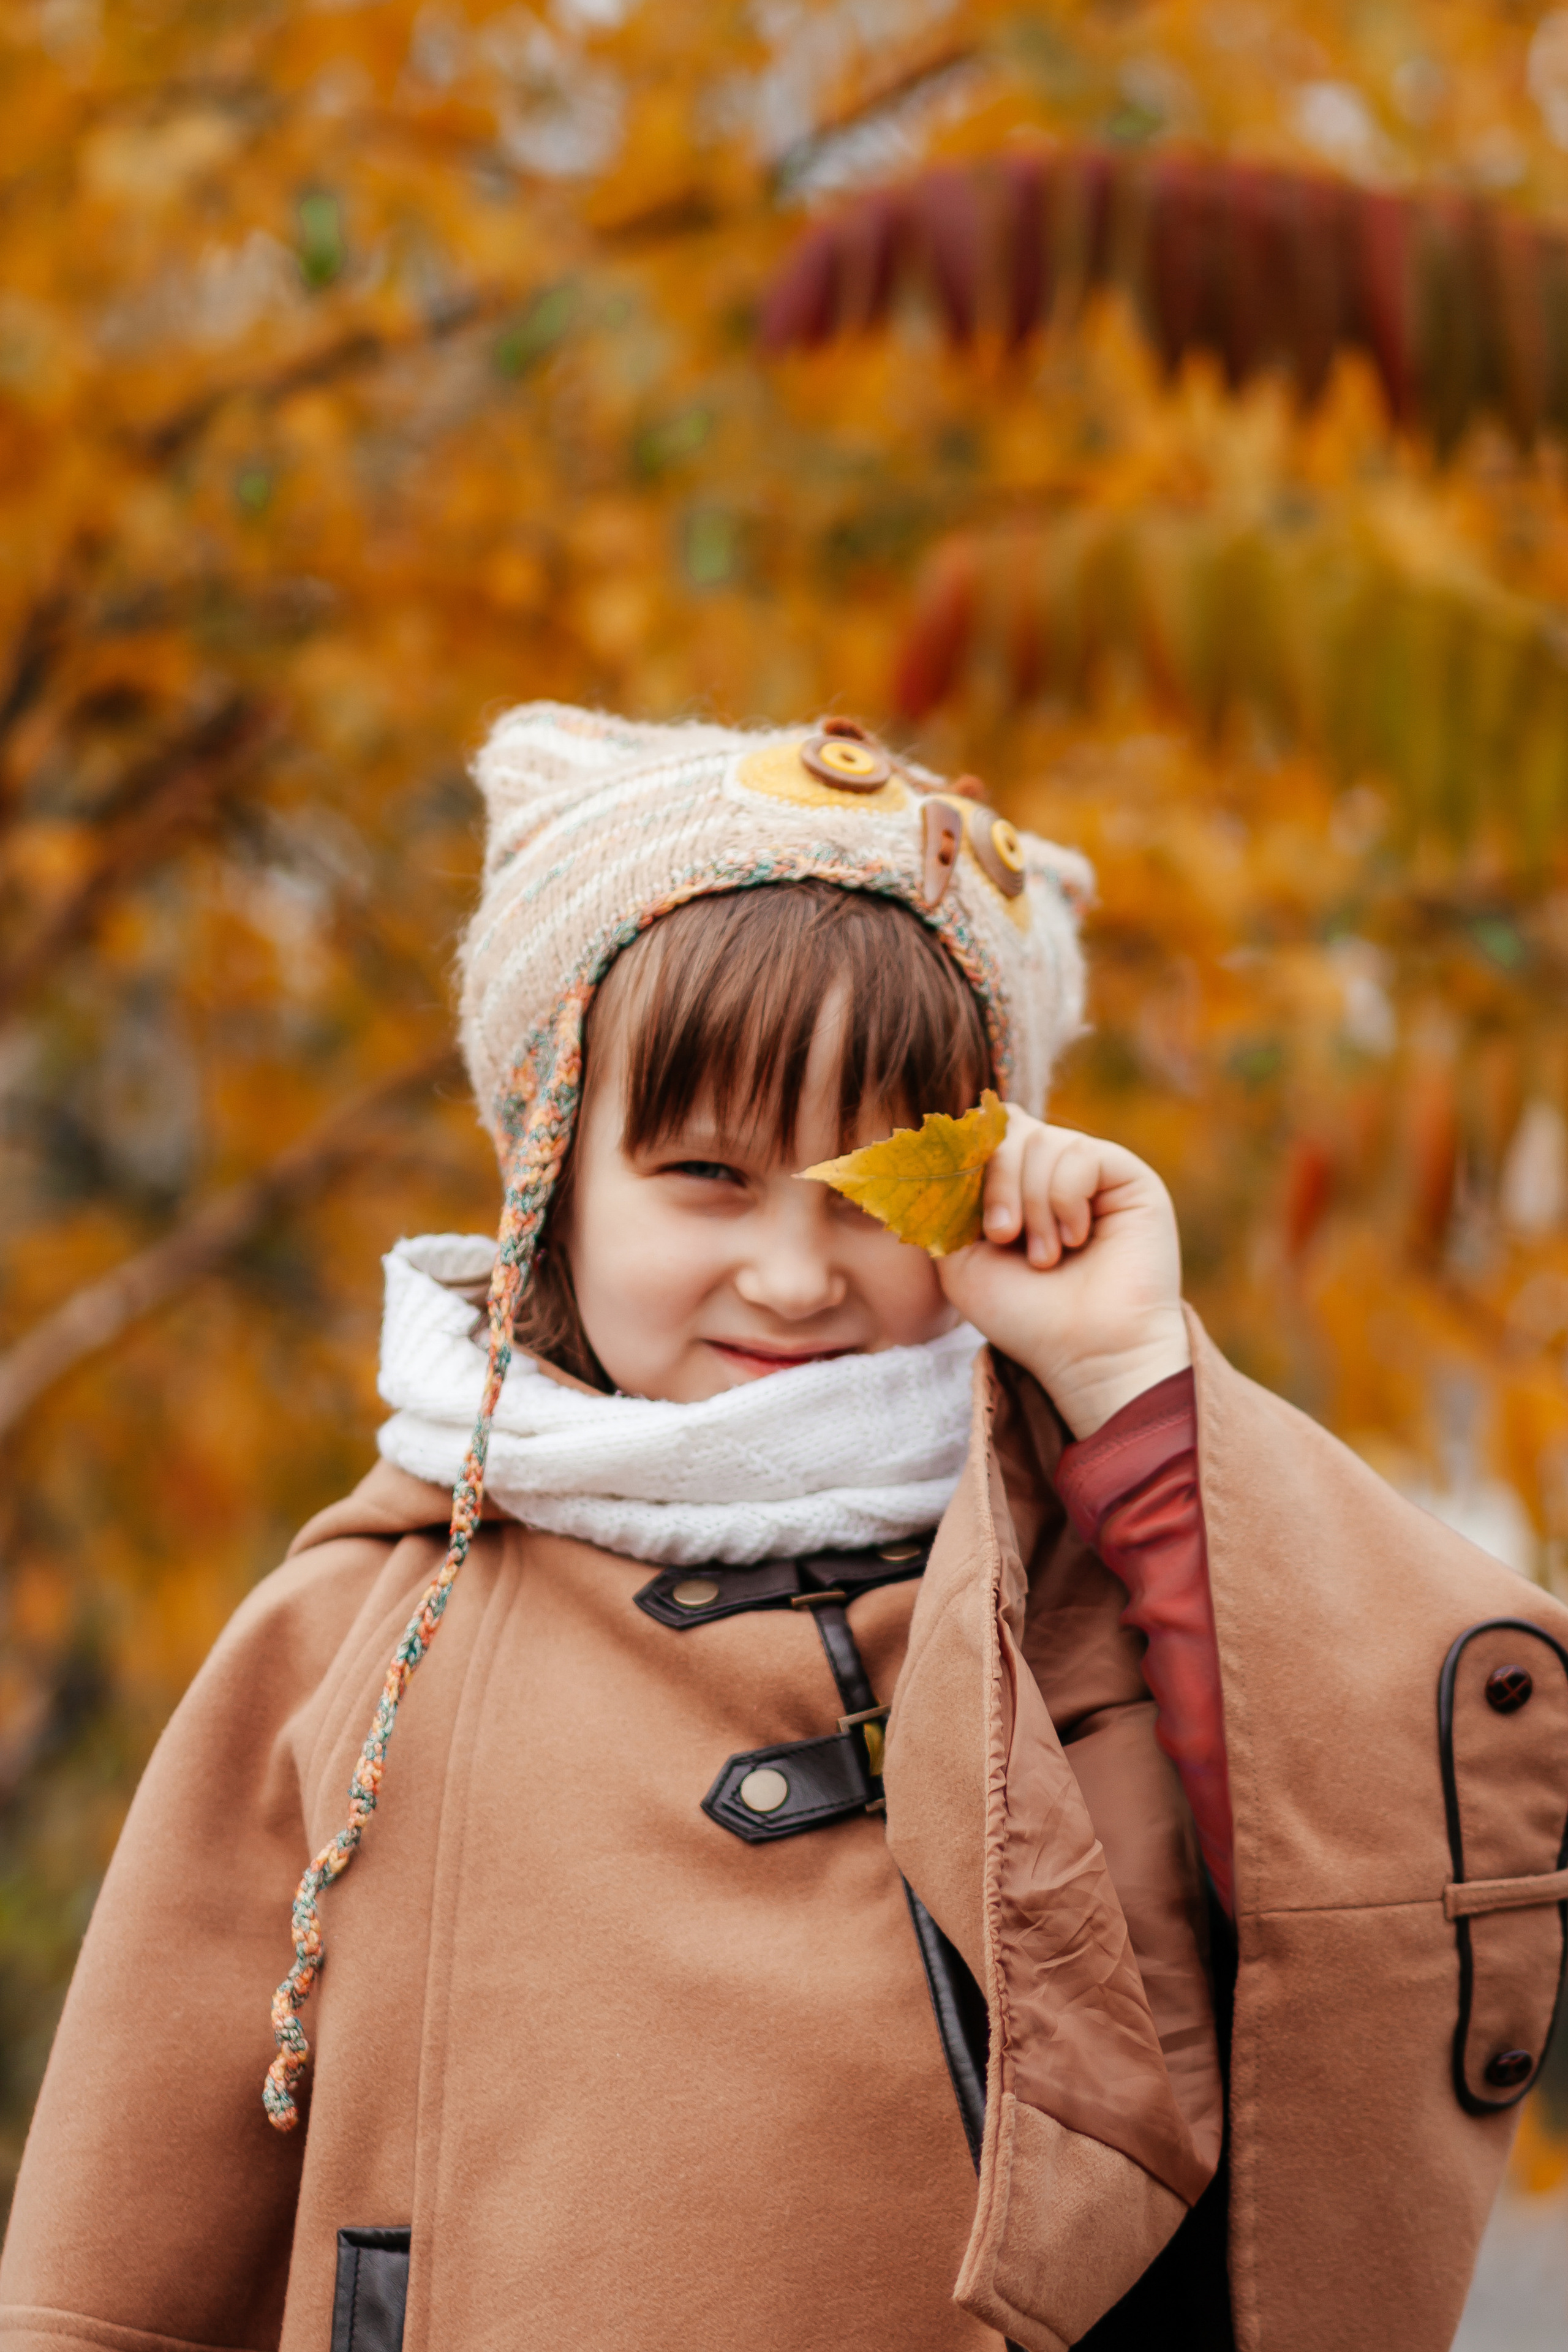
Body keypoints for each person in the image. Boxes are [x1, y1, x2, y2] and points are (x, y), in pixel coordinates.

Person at [2, 706, 1564, 2352]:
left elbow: (1381, 1862)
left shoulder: (1072, 1575)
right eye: (703, 1174)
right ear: (551, 1177)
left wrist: (1124, 1382)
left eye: (874, 1193)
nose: (796, 1275)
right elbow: (115, 2279)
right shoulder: (361, 1635)